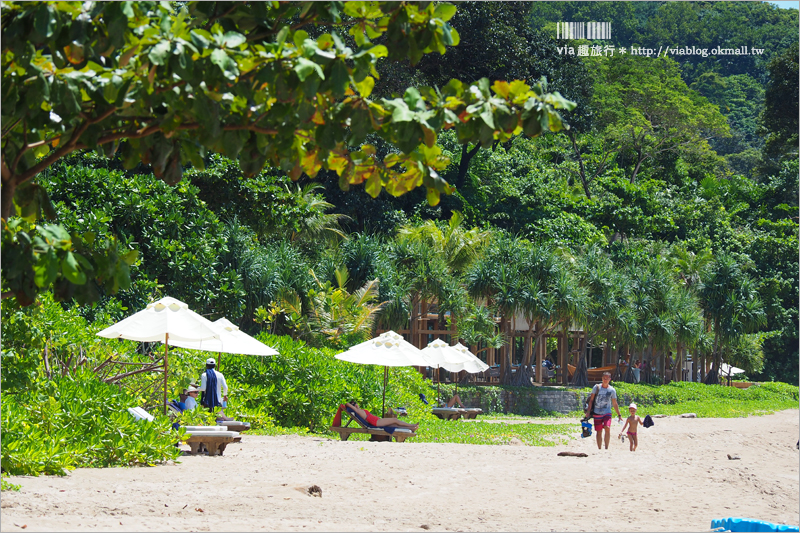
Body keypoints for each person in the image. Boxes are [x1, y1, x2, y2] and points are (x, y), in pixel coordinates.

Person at [584, 371, 622, 450]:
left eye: (607, 379)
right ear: (602, 378)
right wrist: (588, 412)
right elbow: (591, 400)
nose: (605, 380)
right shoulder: (596, 387)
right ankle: (599, 448)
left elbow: (615, 403)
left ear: (609, 379)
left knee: (607, 427)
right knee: (599, 431)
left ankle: (607, 448)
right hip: (597, 412)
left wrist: (619, 415)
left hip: (607, 412)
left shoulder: (612, 390)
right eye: (604, 378)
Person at [345, 402, 419, 431]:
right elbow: (347, 403)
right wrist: (351, 405)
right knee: (395, 420)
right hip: (376, 422)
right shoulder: (358, 411)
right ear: (354, 406)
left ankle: (411, 428)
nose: (357, 404)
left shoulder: (360, 410)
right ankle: (412, 425)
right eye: (355, 403)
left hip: (376, 420)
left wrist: (353, 404)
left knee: (394, 424)